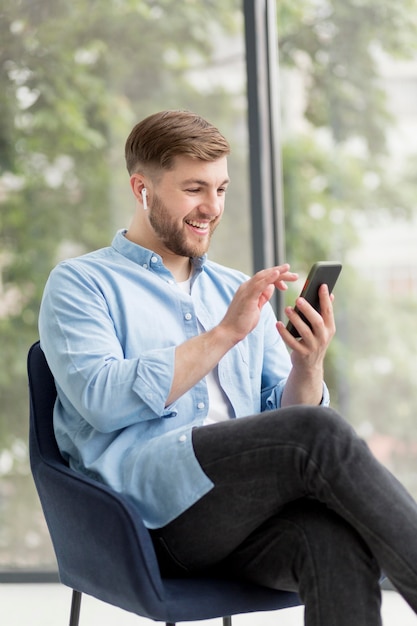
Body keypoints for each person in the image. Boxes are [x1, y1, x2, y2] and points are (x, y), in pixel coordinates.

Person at [39, 109, 417, 626]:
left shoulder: (233, 287)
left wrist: (307, 368)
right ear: (142, 188)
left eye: (221, 189)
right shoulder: (81, 284)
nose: (211, 208)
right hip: (146, 524)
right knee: (317, 430)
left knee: (332, 541)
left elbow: (279, 422)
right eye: (194, 188)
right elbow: (102, 402)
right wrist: (223, 335)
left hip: (238, 515)